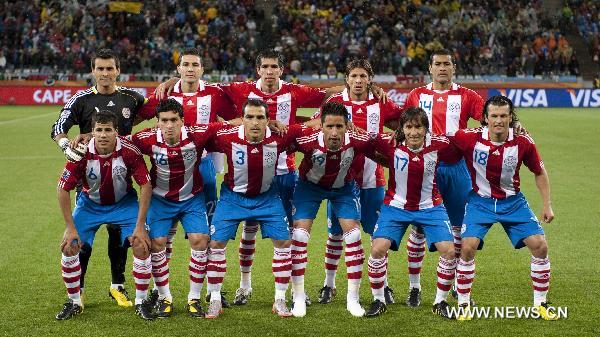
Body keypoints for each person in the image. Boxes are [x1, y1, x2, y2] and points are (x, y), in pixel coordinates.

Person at [156, 49, 387, 306]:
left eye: (273, 67)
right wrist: (170, 82)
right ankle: (245, 285)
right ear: (258, 70)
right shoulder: (240, 89)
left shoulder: (294, 91)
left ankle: (293, 289)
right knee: (248, 230)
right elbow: (201, 83)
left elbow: (327, 94)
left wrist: (370, 86)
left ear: (281, 69)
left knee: (288, 234)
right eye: (264, 67)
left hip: (284, 171)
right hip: (249, 170)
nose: (269, 71)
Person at [138, 48, 238, 307]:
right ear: (178, 69)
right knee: (164, 234)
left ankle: (212, 290)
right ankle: (159, 290)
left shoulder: (214, 92)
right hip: (168, 168)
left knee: (206, 234)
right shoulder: (166, 93)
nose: (190, 69)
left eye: (195, 64)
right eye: (186, 64)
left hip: (203, 166)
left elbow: (235, 118)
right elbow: (140, 114)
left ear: (202, 69)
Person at [50, 49, 147, 308]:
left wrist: (169, 85)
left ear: (118, 70)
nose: (105, 73)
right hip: (89, 180)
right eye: (100, 69)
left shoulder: (131, 97)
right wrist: (65, 146)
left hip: (121, 179)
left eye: (109, 68)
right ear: (93, 71)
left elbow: (153, 112)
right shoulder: (80, 99)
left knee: (120, 238)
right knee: (82, 243)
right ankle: (78, 291)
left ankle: (117, 286)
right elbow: (58, 128)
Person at [450, 96, 557, 321]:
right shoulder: (467, 138)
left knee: (540, 246)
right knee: (468, 247)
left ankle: (541, 304)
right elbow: (438, 142)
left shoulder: (523, 141)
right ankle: (463, 304)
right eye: (494, 116)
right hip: (479, 201)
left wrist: (547, 204)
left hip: (513, 202)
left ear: (511, 117)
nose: (498, 121)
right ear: (485, 118)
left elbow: (539, 172)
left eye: (503, 116)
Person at [312, 59, 402, 305]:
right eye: (354, 76)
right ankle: (328, 284)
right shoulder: (335, 103)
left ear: (370, 79)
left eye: (363, 76)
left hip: (373, 180)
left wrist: (395, 135)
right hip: (340, 181)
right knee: (335, 235)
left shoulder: (381, 102)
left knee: (378, 236)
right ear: (347, 79)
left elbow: (404, 124)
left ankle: (382, 286)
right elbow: (313, 125)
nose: (358, 81)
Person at [130, 99, 230, 320]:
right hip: (160, 200)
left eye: (174, 120)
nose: (169, 125)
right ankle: (165, 297)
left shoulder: (197, 134)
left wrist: (267, 122)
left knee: (200, 240)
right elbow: (121, 143)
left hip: (191, 199)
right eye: (164, 121)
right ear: (157, 123)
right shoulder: (145, 139)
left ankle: (194, 298)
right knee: (157, 244)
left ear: (182, 121)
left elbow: (231, 127)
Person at [203, 99, 303, 319]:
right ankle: (215, 299)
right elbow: (196, 135)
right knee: (216, 243)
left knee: (284, 242)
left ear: (269, 120)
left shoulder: (279, 137)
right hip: (232, 198)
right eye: (250, 117)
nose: (255, 122)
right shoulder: (226, 136)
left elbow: (312, 127)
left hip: (268, 198)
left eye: (260, 117)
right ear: (243, 119)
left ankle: (280, 299)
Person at [401, 49, 485, 307]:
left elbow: (490, 119)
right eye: (437, 64)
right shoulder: (416, 95)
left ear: (454, 68)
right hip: (426, 169)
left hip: (457, 169)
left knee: (459, 229)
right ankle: (415, 287)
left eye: (446, 64)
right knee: (418, 227)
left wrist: (514, 125)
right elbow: (406, 128)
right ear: (430, 68)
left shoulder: (467, 96)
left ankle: (460, 285)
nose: (442, 68)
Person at [363, 107, 461, 319]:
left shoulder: (439, 144)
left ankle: (440, 301)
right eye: (409, 127)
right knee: (378, 249)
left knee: (450, 251)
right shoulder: (390, 143)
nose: (414, 132)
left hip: (430, 207)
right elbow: (364, 137)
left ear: (426, 129)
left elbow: (465, 143)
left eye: (418, 127)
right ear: (402, 129)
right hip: (396, 206)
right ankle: (378, 299)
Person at [55, 110, 152, 320]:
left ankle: (141, 301)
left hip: (123, 204)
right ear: (92, 132)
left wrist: (140, 225)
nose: (103, 135)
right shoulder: (80, 153)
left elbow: (146, 185)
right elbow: (62, 189)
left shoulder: (129, 151)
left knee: (141, 244)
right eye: (99, 130)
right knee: (69, 246)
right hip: (90, 205)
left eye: (108, 130)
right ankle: (74, 302)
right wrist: (70, 227)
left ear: (116, 132)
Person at [288, 101, 376, 318]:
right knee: (299, 235)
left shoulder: (358, 138)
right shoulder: (306, 139)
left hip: (343, 188)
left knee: (354, 235)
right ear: (321, 126)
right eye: (329, 127)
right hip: (309, 188)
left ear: (348, 126)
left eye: (339, 126)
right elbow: (282, 139)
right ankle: (298, 297)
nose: (334, 133)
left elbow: (383, 147)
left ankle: (352, 299)